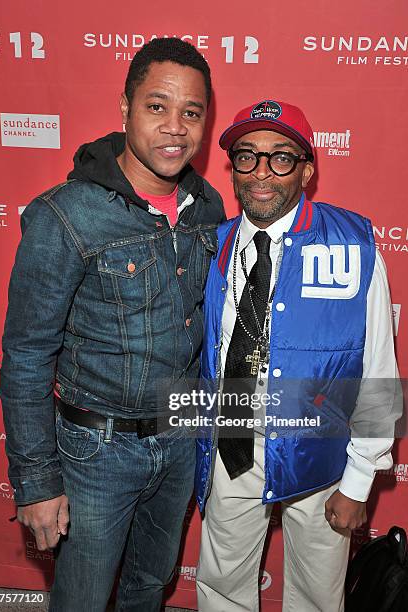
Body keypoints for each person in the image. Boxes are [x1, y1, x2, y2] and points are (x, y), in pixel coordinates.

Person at [0, 37, 225, 612]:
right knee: (81, 600)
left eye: (191, 112)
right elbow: (27, 355)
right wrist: (37, 482)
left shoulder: (208, 209)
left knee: (149, 590)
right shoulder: (65, 215)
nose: (175, 128)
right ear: (124, 109)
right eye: (157, 106)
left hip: (177, 443)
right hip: (94, 453)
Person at [195, 98, 400, 611]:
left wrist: (358, 481)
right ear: (233, 167)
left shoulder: (352, 245)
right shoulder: (215, 243)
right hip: (233, 449)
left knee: (315, 598)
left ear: (306, 170)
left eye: (280, 157)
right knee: (220, 590)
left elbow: (377, 370)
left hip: (321, 456)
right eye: (248, 156)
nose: (262, 172)